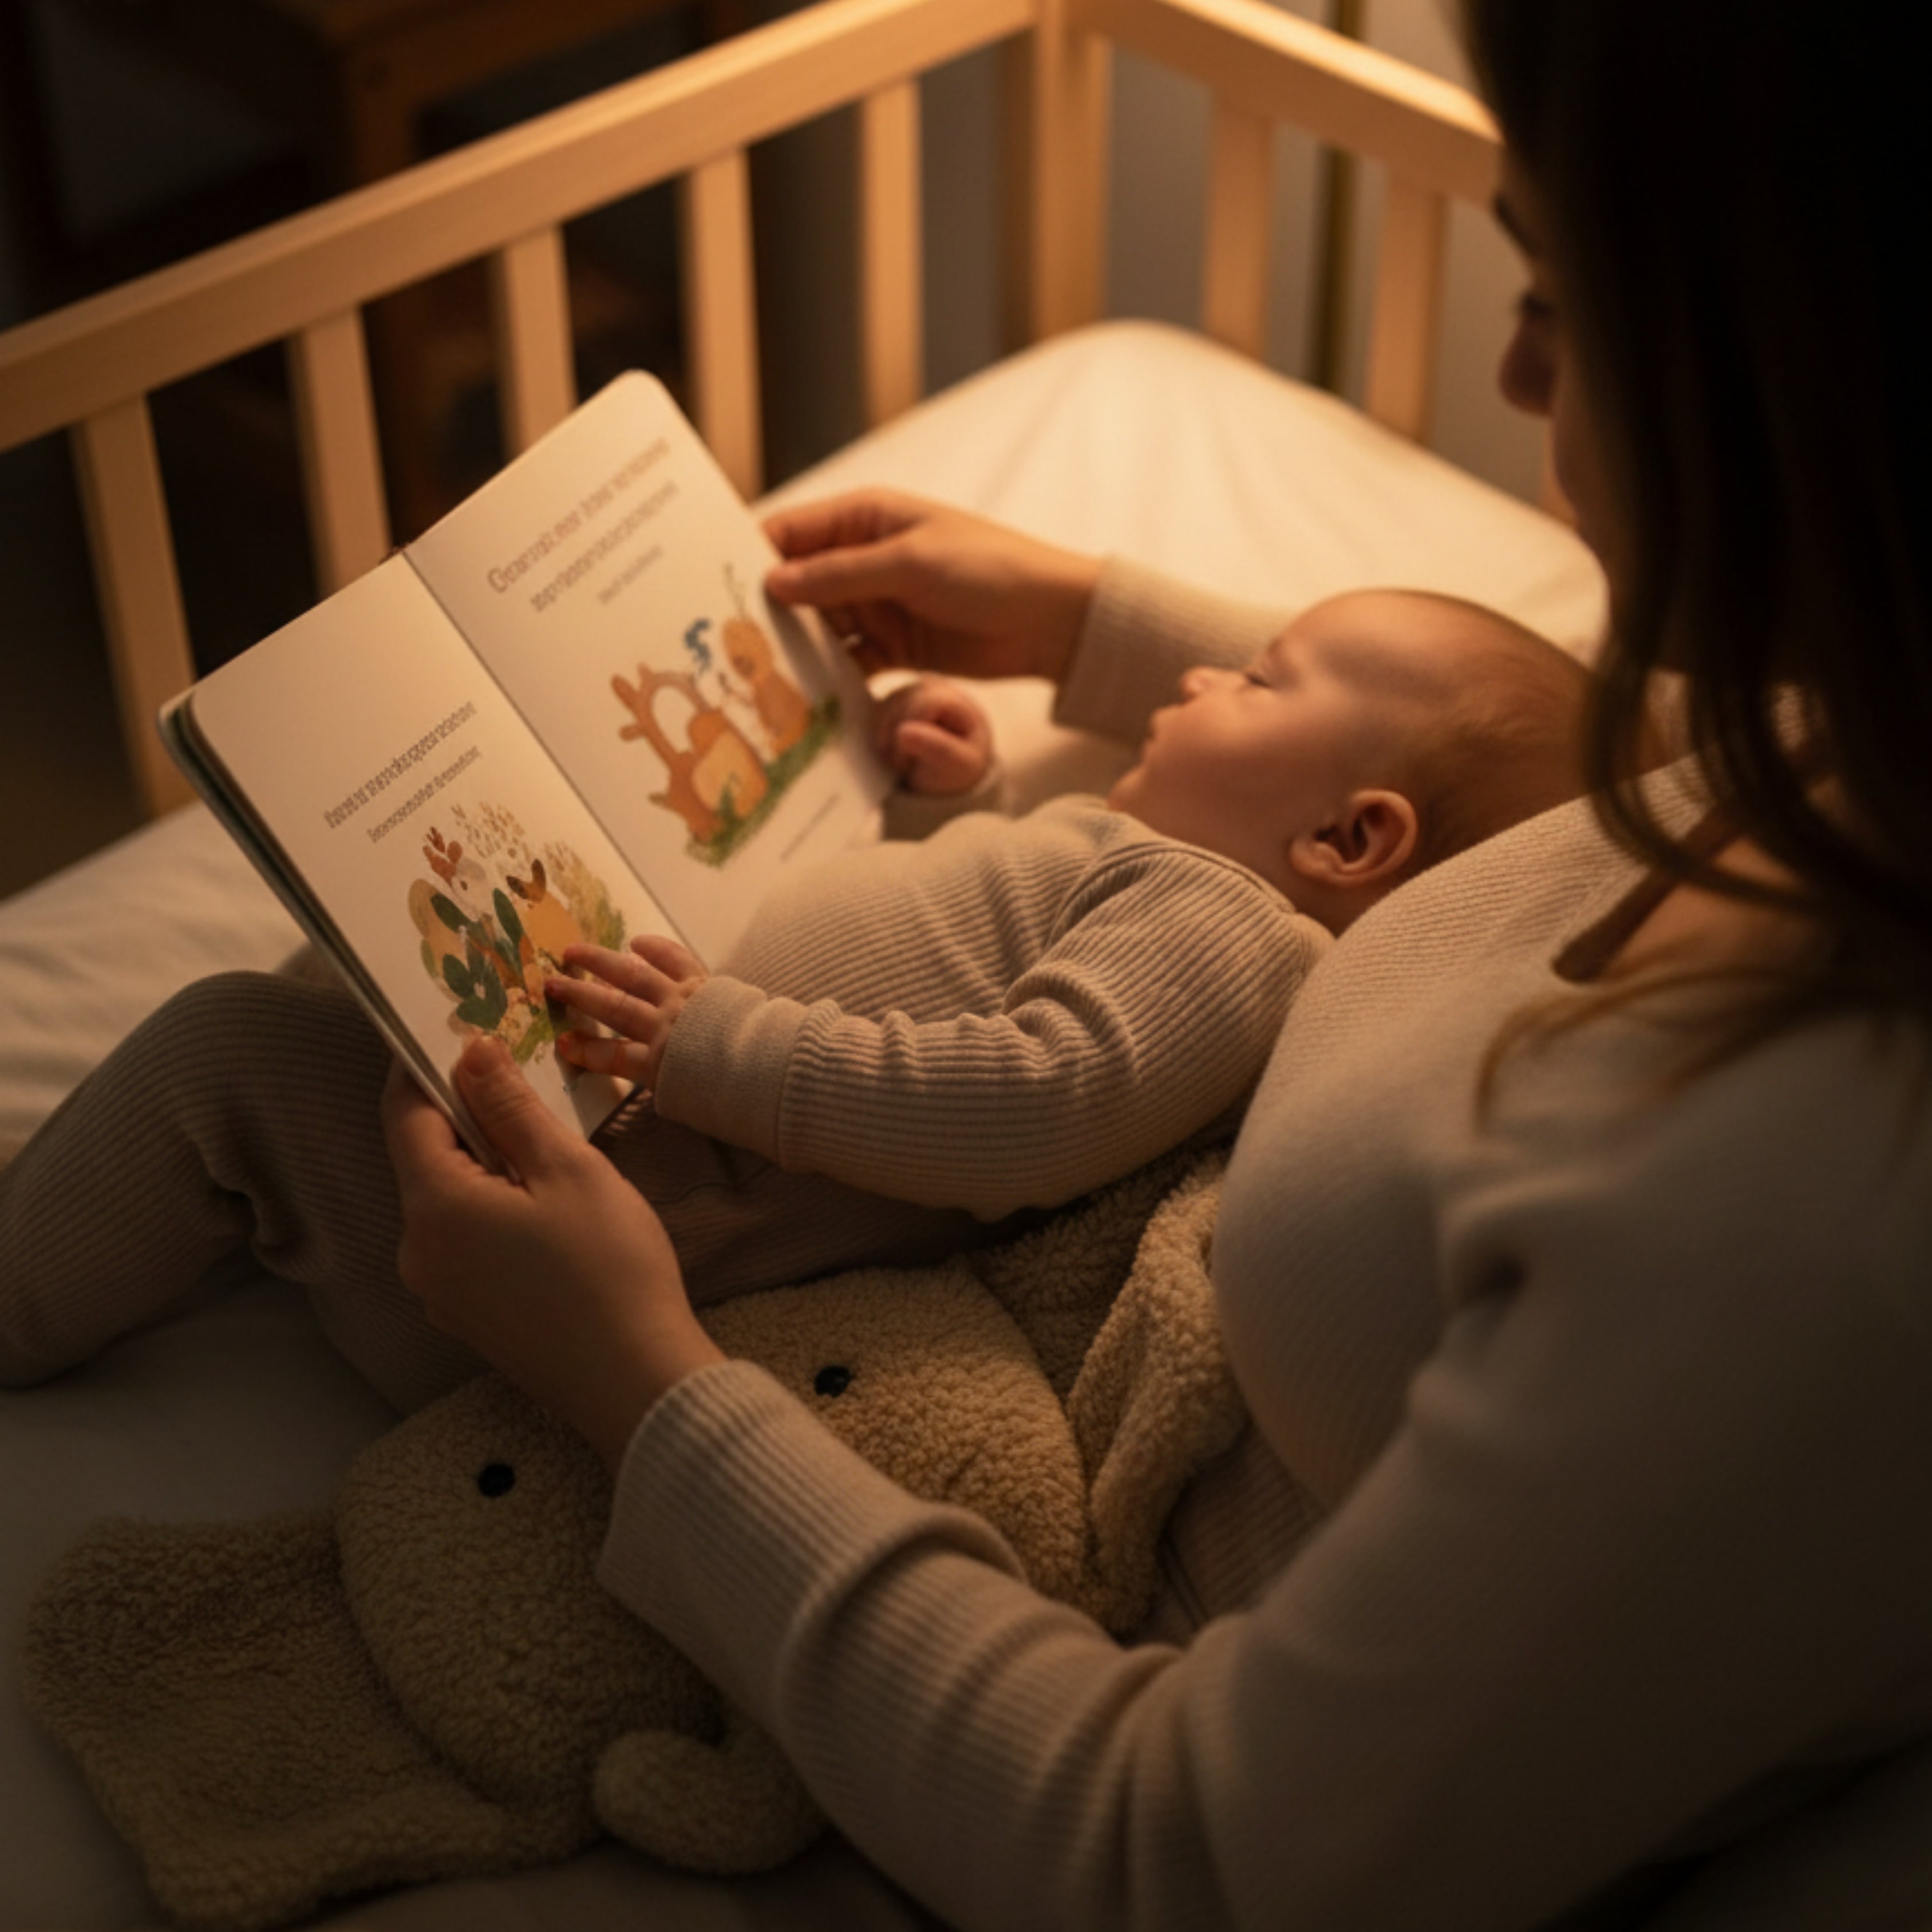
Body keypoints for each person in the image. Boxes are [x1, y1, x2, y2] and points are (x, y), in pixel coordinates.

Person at [378, 0, 1932, 1926]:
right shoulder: (1856, 734)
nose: (1518, 371)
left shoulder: (1814, 1219)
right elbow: (1643, 742)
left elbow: (1170, 1854)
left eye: (1563, 292)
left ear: (1816, 374)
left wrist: (637, 1382)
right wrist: (1099, 627)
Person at [0, 589, 1585, 1411]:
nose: (1192, 680)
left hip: (608, 1204)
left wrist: (718, 1048)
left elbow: (1026, 1099)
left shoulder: (1237, 933)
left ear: (1347, 838)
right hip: (625, 1121)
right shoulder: (1150, 872)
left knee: (221, 1052)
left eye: (1259, 679)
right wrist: (927, 800)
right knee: (318, 986)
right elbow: (934, 962)